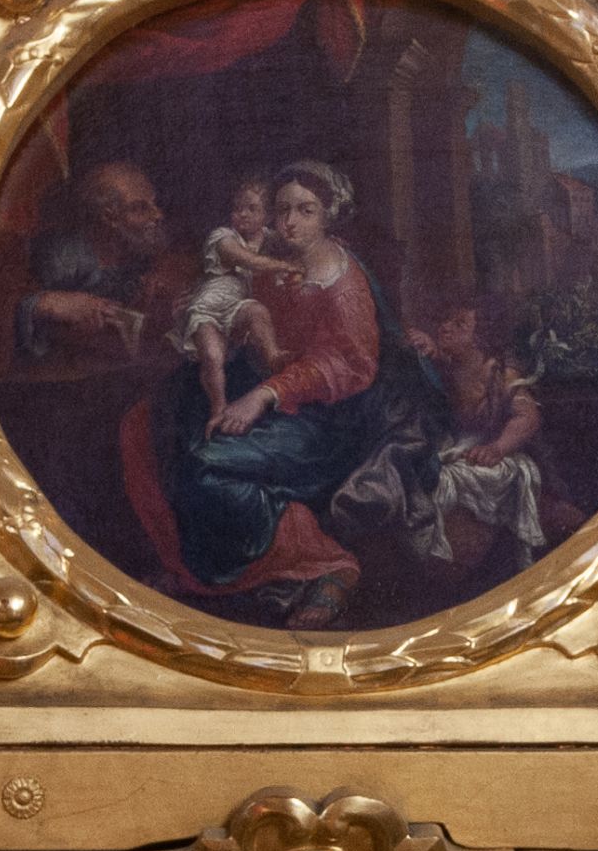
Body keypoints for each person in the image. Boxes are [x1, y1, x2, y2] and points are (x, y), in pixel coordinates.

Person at [138, 160, 445, 630]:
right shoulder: (274, 260)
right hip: (270, 390)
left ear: (328, 215)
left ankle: (324, 563)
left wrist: (263, 395)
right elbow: (248, 316)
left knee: (207, 464)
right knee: (156, 419)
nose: (290, 222)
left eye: (306, 210)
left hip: (329, 421)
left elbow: (350, 365)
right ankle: (194, 566)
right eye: (282, 210)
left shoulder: (341, 282)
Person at [410, 303, 548, 573]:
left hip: (491, 448)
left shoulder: (499, 374)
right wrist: (428, 347)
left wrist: (497, 448)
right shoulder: (450, 366)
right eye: (447, 321)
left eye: (459, 324)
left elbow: (528, 416)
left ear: (481, 339)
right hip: (457, 446)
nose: (445, 327)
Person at [17, 160, 174, 367]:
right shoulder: (63, 256)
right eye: (140, 208)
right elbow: (36, 323)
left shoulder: (136, 253)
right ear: (109, 216)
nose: (158, 215)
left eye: (153, 204)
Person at [176, 177, 302, 414]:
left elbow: (296, 244)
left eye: (252, 209)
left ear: (267, 215)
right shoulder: (222, 237)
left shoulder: (269, 238)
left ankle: (274, 358)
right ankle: (218, 408)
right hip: (207, 310)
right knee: (213, 357)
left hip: (237, 309)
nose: (242, 214)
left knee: (257, 311)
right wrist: (284, 266)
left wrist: (322, 244)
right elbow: (248, 260)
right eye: (237, 208)